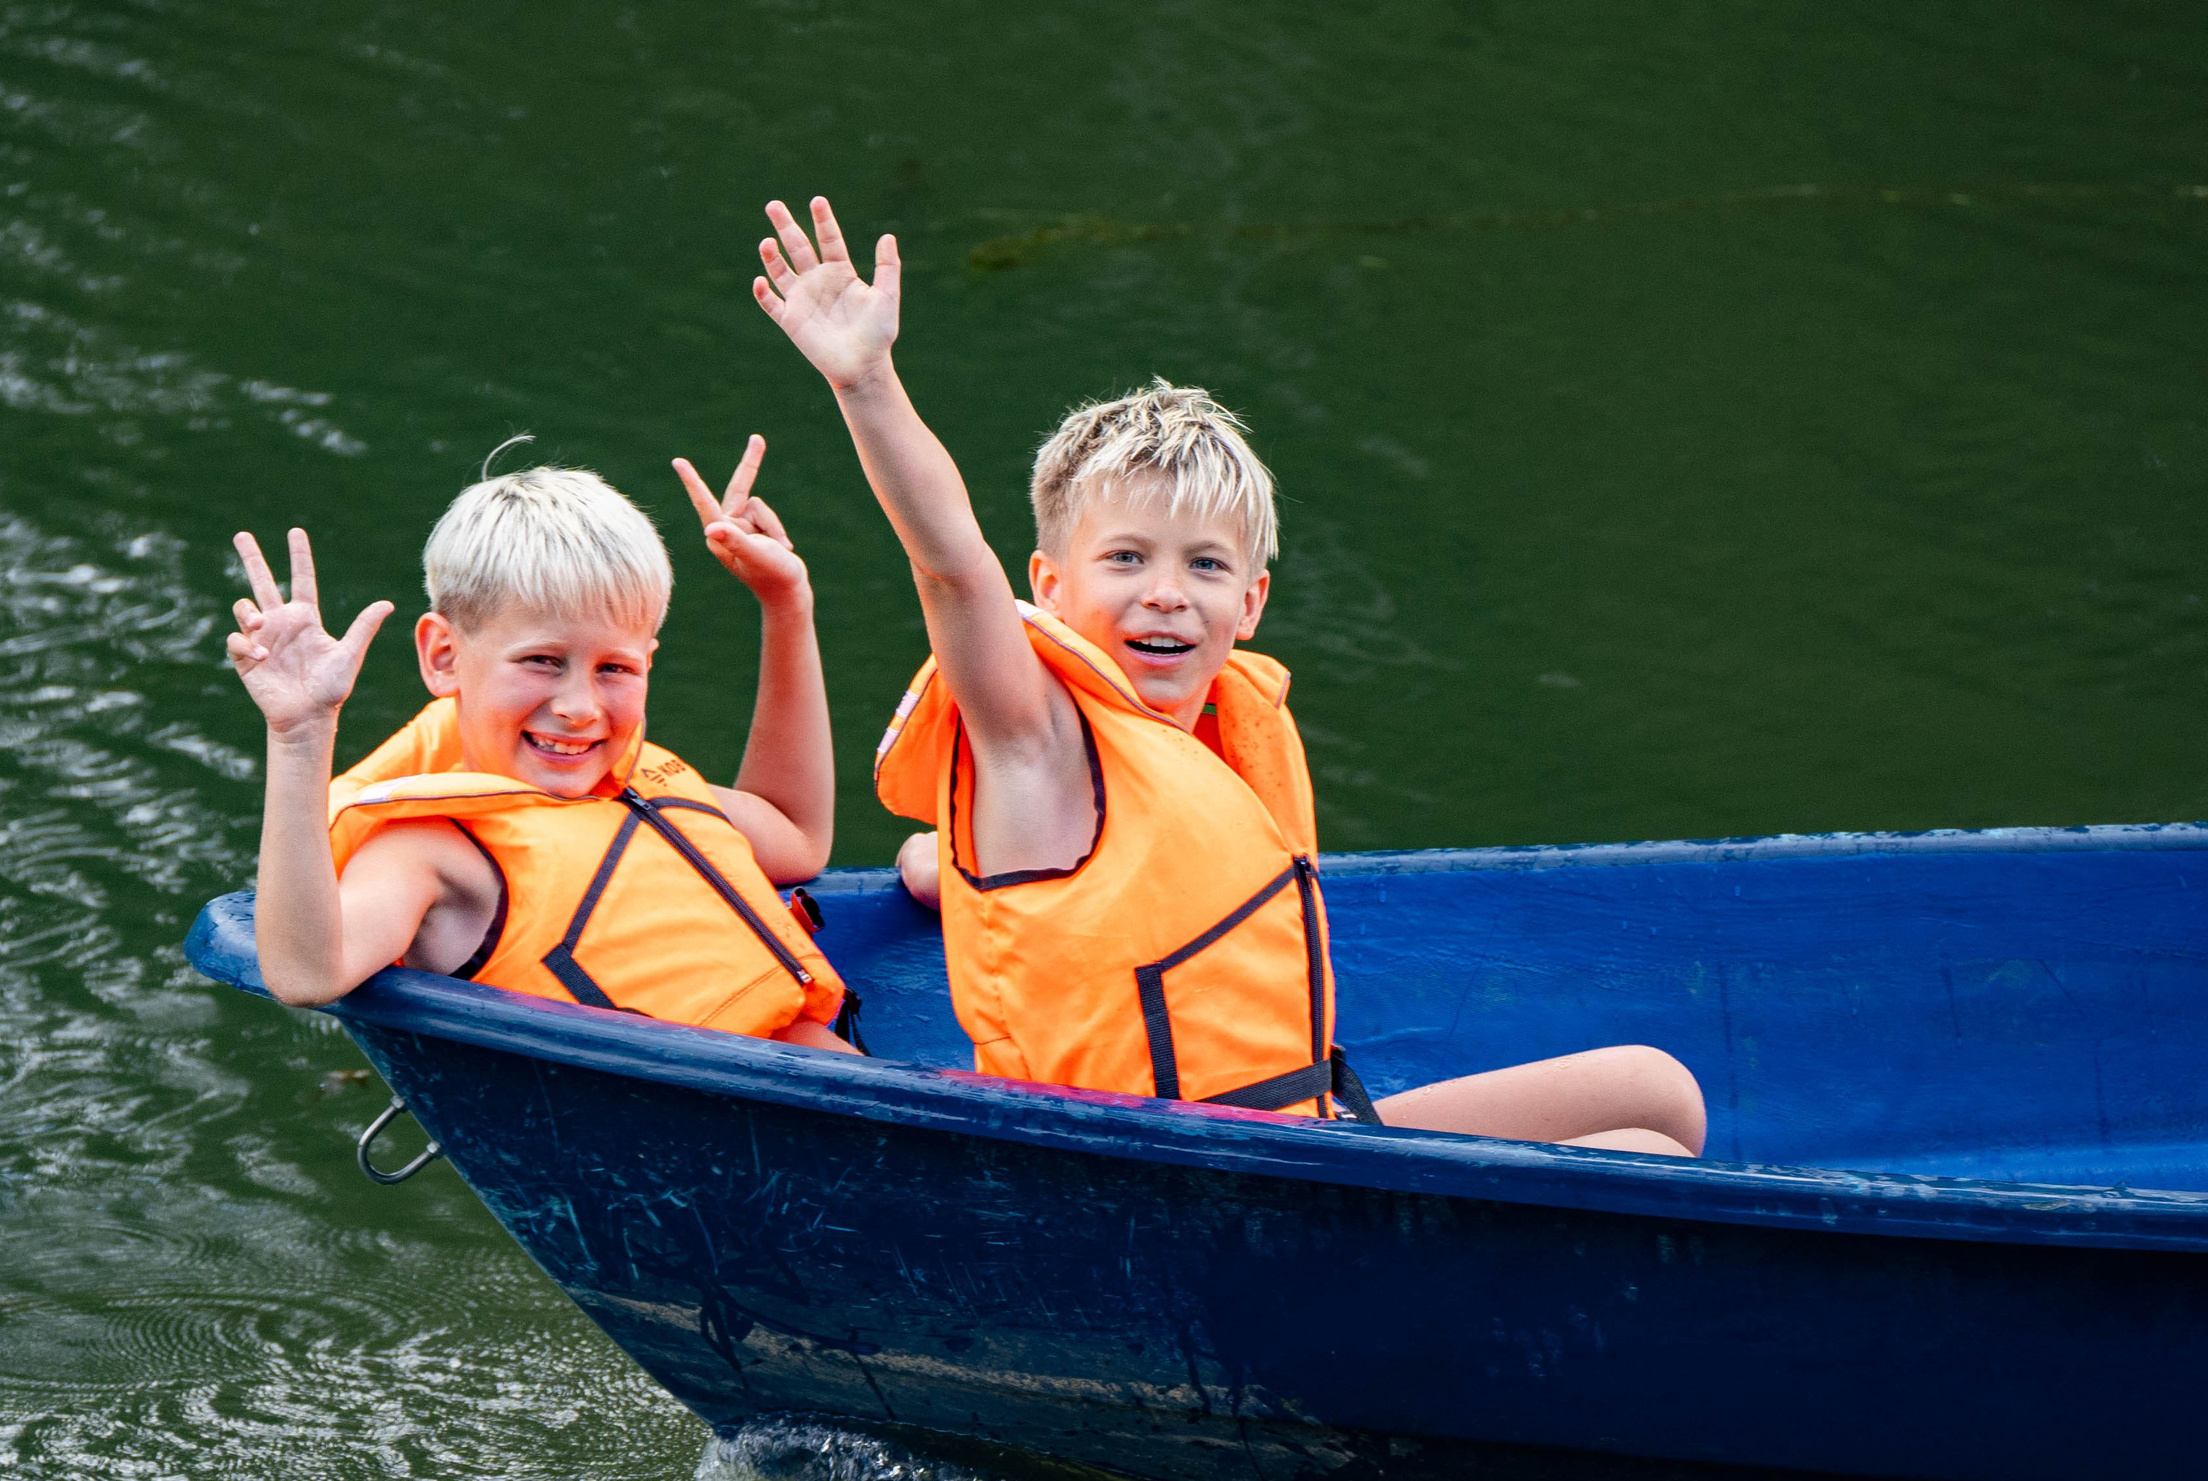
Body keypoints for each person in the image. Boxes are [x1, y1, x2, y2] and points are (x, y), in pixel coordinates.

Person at [749, 196, 1701, 1149]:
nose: (1167, 595)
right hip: (1163, 1178)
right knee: (1648, 1156)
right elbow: (951, 563)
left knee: (1659, 1090)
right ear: (1046, 585)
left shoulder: (1208, 742)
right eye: (1125, 559)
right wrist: (866, 381)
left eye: (1205, 565)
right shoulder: (1031, 739)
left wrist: (941, 871)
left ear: (1249, 603)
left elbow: (1033, 884)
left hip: (1300, 1138)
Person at [226, 436, 859, 1053]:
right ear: (444, 656)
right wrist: (301, 735)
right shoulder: (432, 855)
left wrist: (785, 604)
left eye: (615, 669)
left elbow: (797, 837)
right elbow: (307, 974)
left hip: (824, 1100)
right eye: (542, 661)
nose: (580, 708)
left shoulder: (645, 788)